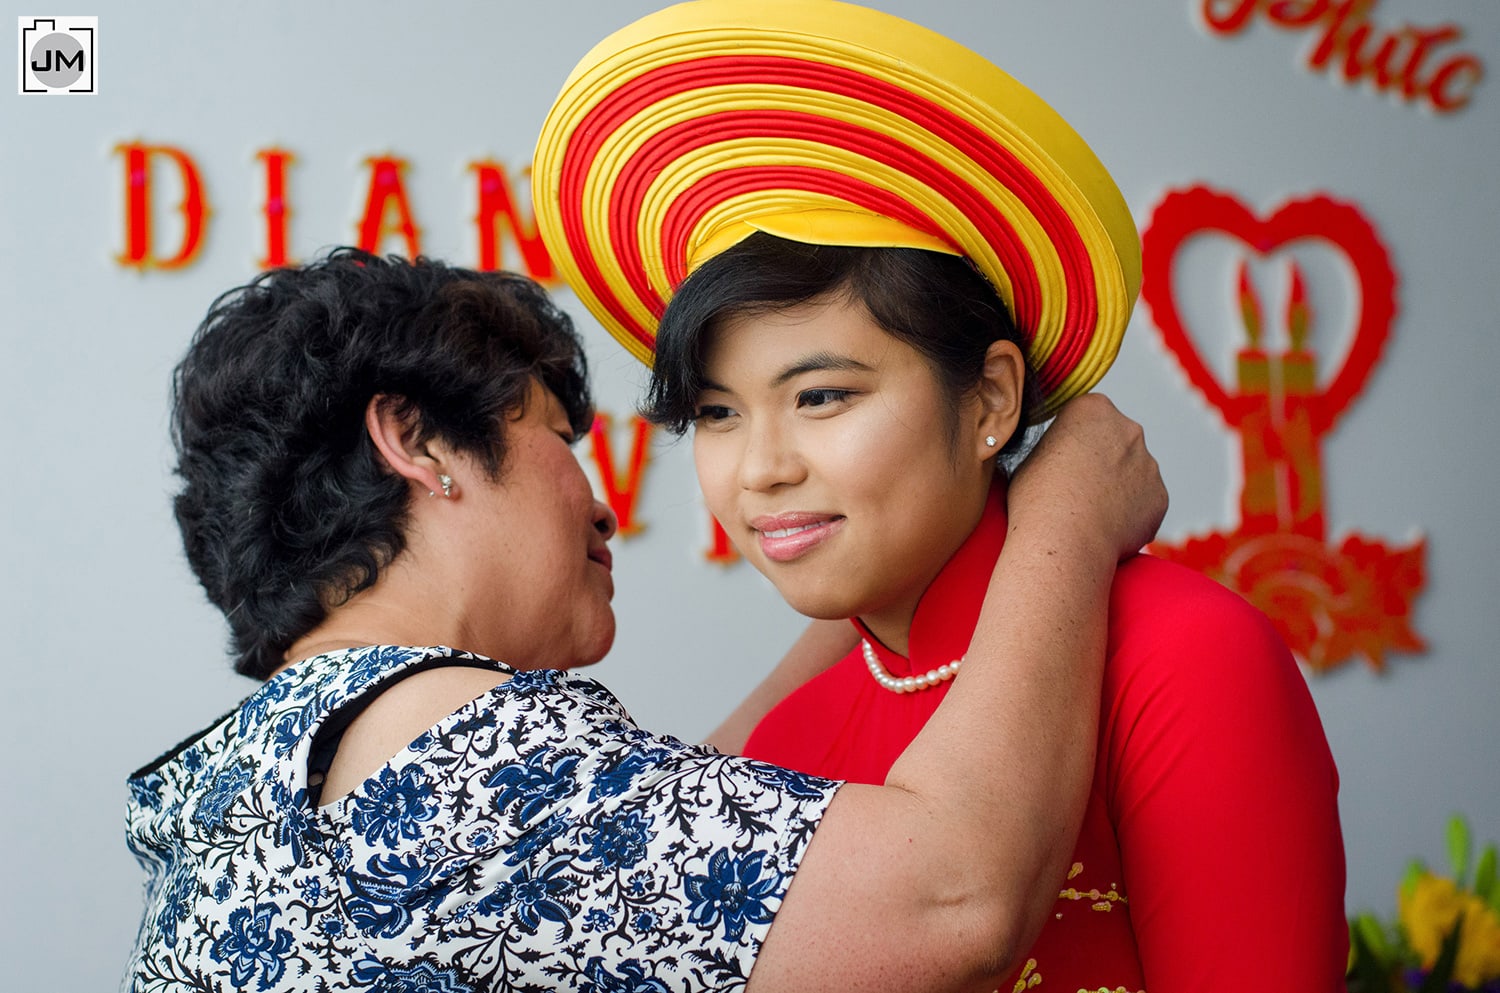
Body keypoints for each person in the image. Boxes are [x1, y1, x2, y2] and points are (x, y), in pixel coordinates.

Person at [530, 1, 1348, 989]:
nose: (760, 468)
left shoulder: (1181, 655)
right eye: (717, 414)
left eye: (822, 395)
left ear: (992, 398)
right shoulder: (786, 740)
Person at [124, 247, 1165, 993]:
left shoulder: (252, 784)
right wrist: (1066, 511)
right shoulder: (460, 760)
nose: (599, 499)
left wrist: (876, 567)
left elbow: (700, 833)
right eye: (552, 432)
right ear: (420, 443)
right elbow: (955, 901)